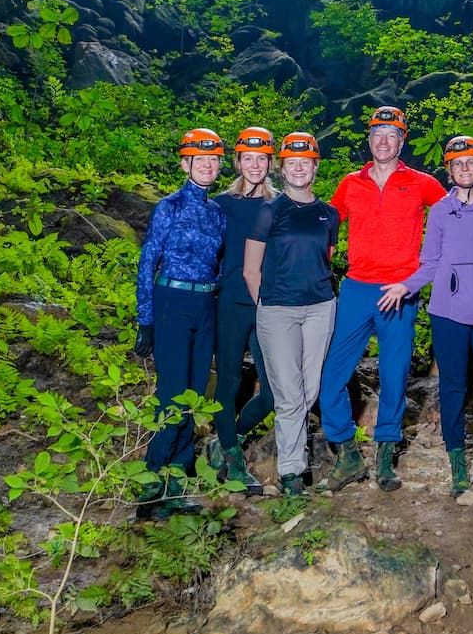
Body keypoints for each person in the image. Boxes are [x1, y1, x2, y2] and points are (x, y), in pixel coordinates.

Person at [319, 106, 446, 492]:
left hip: (400, 293)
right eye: (377, 135)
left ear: (401, 141)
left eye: (392, 135)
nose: (384, 141)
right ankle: (347, 455)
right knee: (330, 378)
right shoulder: (349, 184)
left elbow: (452, 218)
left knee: (394, 377)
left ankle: (386, 455)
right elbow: (324, 226)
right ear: (369, 140)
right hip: (356, 289)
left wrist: (430, 271)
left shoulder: (422, 183)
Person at [380, 135, 473, 497]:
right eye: (457, 164)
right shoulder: (440, 210)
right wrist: (405, 287)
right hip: (449, 313)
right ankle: (457, 461)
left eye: (470, 162)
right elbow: (431, 261)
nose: (465, 169)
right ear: (449, 170)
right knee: (453, 388)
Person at [134, 128, 227, 508]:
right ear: (185, 162)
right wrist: (146, 318)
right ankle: (152, 480)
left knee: (192, 394)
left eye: (213, 160)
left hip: (205, 306)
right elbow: (147, 262)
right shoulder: (168, 207)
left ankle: (178, 480)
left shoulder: (218, 212)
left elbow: (219, 264)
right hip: (171, 301)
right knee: (171, 395)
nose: (207, 165)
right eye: (199, 159)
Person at [244, 133, 339, 497]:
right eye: (292, 164)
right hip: (277, 310)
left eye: (306, 163)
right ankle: (291, 472)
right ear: (283, 169)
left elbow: (324, 259)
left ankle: (296, 462)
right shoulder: (269, 210)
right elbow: (251, 269)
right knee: (287, 393)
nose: (299, 169)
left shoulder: (328, 214)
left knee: (308, 389)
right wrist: (267, 308)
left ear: (315, 167)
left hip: (319, 307)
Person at [208, 125, 277, 494]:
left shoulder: (280, 204)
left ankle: (225, 439)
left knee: (273, 392)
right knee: (229, 383)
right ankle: (234, 463)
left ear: (271, 162)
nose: (254, 165)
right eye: (247, 158)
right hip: (230, 303)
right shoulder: (220, 204)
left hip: (267, 308)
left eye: (261, 158)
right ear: (237, 161)